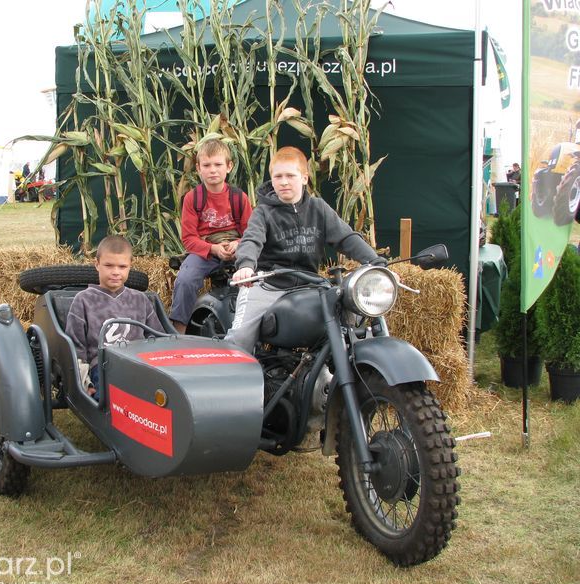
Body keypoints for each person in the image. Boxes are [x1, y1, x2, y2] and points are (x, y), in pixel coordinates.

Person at [225, 146, 387, 353]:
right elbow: (251, 240)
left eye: (290, 176)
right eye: (278, 176)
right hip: (268, 285)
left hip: (311, 285)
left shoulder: (318, 208)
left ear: (304, 178)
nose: (283, 182)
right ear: (271, 179)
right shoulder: (263, 212)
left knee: (352, 319)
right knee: (240, 337)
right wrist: (246, 266)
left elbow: (346, 238)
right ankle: (234, 379)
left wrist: (376, 263)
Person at [169, 139, 253, 333]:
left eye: (218, 164)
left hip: (236, 249)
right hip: (206, 251)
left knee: (258, 276)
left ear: (229, 167)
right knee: (185, 279)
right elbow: (189, 238)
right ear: (198, 168)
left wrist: (238, 244)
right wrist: (213, 249)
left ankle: (252, 329)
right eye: (207, 165)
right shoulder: (193, 198)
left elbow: (251, 233)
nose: (213, 170)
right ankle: (178, 331)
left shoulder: (239, 197)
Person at [65, 235, 164, 398]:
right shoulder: (84, 300)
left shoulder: (140, 299)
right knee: (115, 395)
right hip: (103, 366)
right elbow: (76, 347)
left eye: (122, 266)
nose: (115, 272)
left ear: (130, 266)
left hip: (138, 364)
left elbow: (157, 338)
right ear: (97, 264)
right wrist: (84, 382)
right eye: (109, 265)